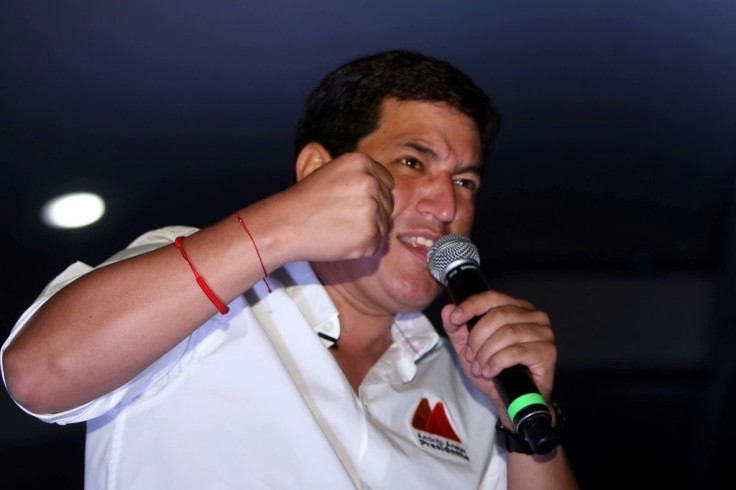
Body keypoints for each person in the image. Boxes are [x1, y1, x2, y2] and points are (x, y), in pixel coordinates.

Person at [1, 50, 578, 489]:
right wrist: (280, 226)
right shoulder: (193, 283)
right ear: (318, 172)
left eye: (465, 181)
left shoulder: (473, 388)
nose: (447, 206)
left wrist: (525, 426)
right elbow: (40, 374)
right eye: (411, 161)